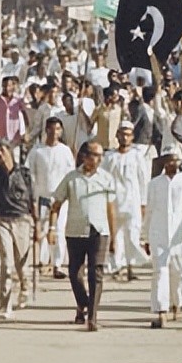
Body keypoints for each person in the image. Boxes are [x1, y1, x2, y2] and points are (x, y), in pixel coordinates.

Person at [49, 141, 117, 331]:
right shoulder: (71, 178)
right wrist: (52, 228)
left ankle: (92, 316)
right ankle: (83, 303)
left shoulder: (106, 178)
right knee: (74, 273)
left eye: (100, 156)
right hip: (75, 232)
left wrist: (113, 236)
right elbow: (57, 203)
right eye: (95, 155)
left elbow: (111, 209)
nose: (98, 160)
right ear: (84, 156)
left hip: (99, 231)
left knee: (96, 273)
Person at [146, 152, 182, 328]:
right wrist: (146, 236)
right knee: (160, 271)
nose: (172, 162)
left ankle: (177, 304)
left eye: (175, 159)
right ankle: (161, 311)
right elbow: (149, 210)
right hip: (159, 234)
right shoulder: (155, 183)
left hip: (181, 236)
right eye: (169, 159)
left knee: (179, 272)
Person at [0, 140, 37, 318]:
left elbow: (32, 199)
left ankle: (25, 287)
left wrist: (36, 224)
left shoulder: (24, 173)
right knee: (6, 262)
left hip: (22, 220)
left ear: (9, 150)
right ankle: (5, 304)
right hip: (3, 219)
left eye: (2, 150)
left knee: (21, 263)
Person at [27, 118, 75, 278]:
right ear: (46, 130)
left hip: (60, 198)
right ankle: (42, 261)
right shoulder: (37, 151)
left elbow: (71, 174)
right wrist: (32, 196)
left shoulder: (65, 151)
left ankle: (57, 264)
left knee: (59, 230)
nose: (55, 133)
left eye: (58, 129)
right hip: (42, 196)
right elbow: (30, 174)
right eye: (52, 129)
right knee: (42, 228)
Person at [102, 121, 149, 280]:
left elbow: (143, 180)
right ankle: (117, 267)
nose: (124, 137)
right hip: (114, 202)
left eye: (128, 134)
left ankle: (130, 267)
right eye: (122, 134)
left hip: (132, 202)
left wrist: (143, 203)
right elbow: (103, 179)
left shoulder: (137, 156)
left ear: (132, 137)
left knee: (132, 235)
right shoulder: (109, 157)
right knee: (115, 235)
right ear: (117, 135)